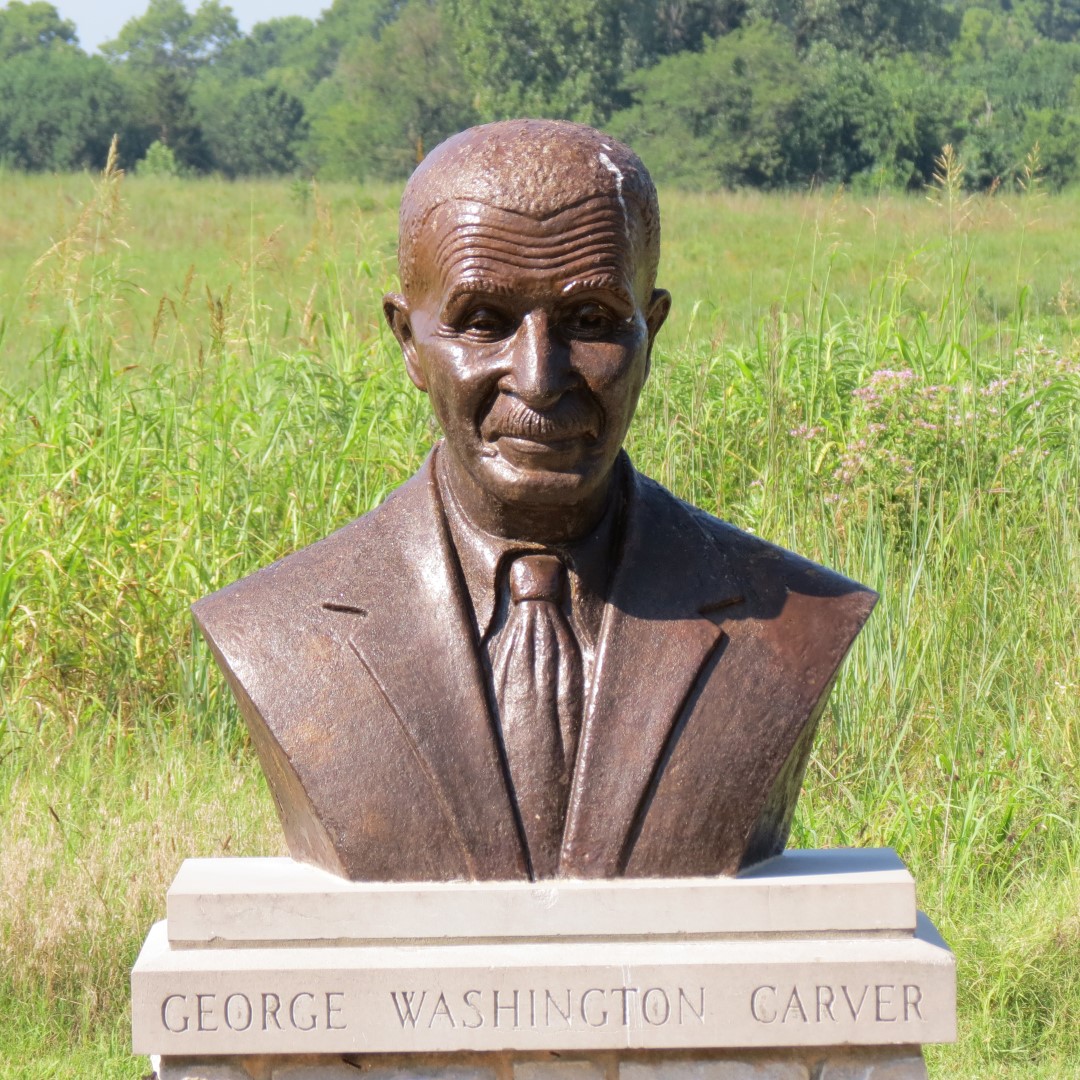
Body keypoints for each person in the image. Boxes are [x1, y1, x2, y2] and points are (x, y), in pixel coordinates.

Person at [193, 120, 876, 882]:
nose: (540, 377)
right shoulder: (277, 627)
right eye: (483, 322)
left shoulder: (794, 620)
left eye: (590, 323)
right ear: (409, 343)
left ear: (650, 331)